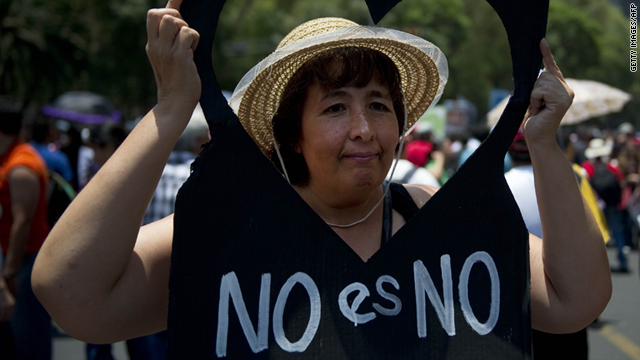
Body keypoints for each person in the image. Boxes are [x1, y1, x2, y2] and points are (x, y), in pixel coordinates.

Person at [32, 0, 611, 351]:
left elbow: (574, 300)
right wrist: (169, 111)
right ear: (292, 134)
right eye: (335, 108)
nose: (363, 129)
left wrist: (546, 147)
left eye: (380, 106)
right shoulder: (232, 236)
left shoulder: (429, 216)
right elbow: (72, 294)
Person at [0, 96, 52, 359]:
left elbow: (22, 223)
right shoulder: (9, 159)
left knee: (27, 339)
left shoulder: (20, 166)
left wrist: (8, 273)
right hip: (16, 260)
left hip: (24, 262)